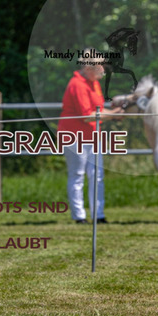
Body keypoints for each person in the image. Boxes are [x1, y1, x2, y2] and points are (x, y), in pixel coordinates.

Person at [57, 51, 124, 224]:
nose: (104, 69)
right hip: (74, 136)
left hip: (93, 135)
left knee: (97, 175)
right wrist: (113, 115)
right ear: (89, 68)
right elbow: (87, 115)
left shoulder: (94, 83)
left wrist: (114, 112)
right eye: (101, 65)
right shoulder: (77, 85)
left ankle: (98, 214)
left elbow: (98, 110)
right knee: (77, 175)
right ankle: (79, 216)